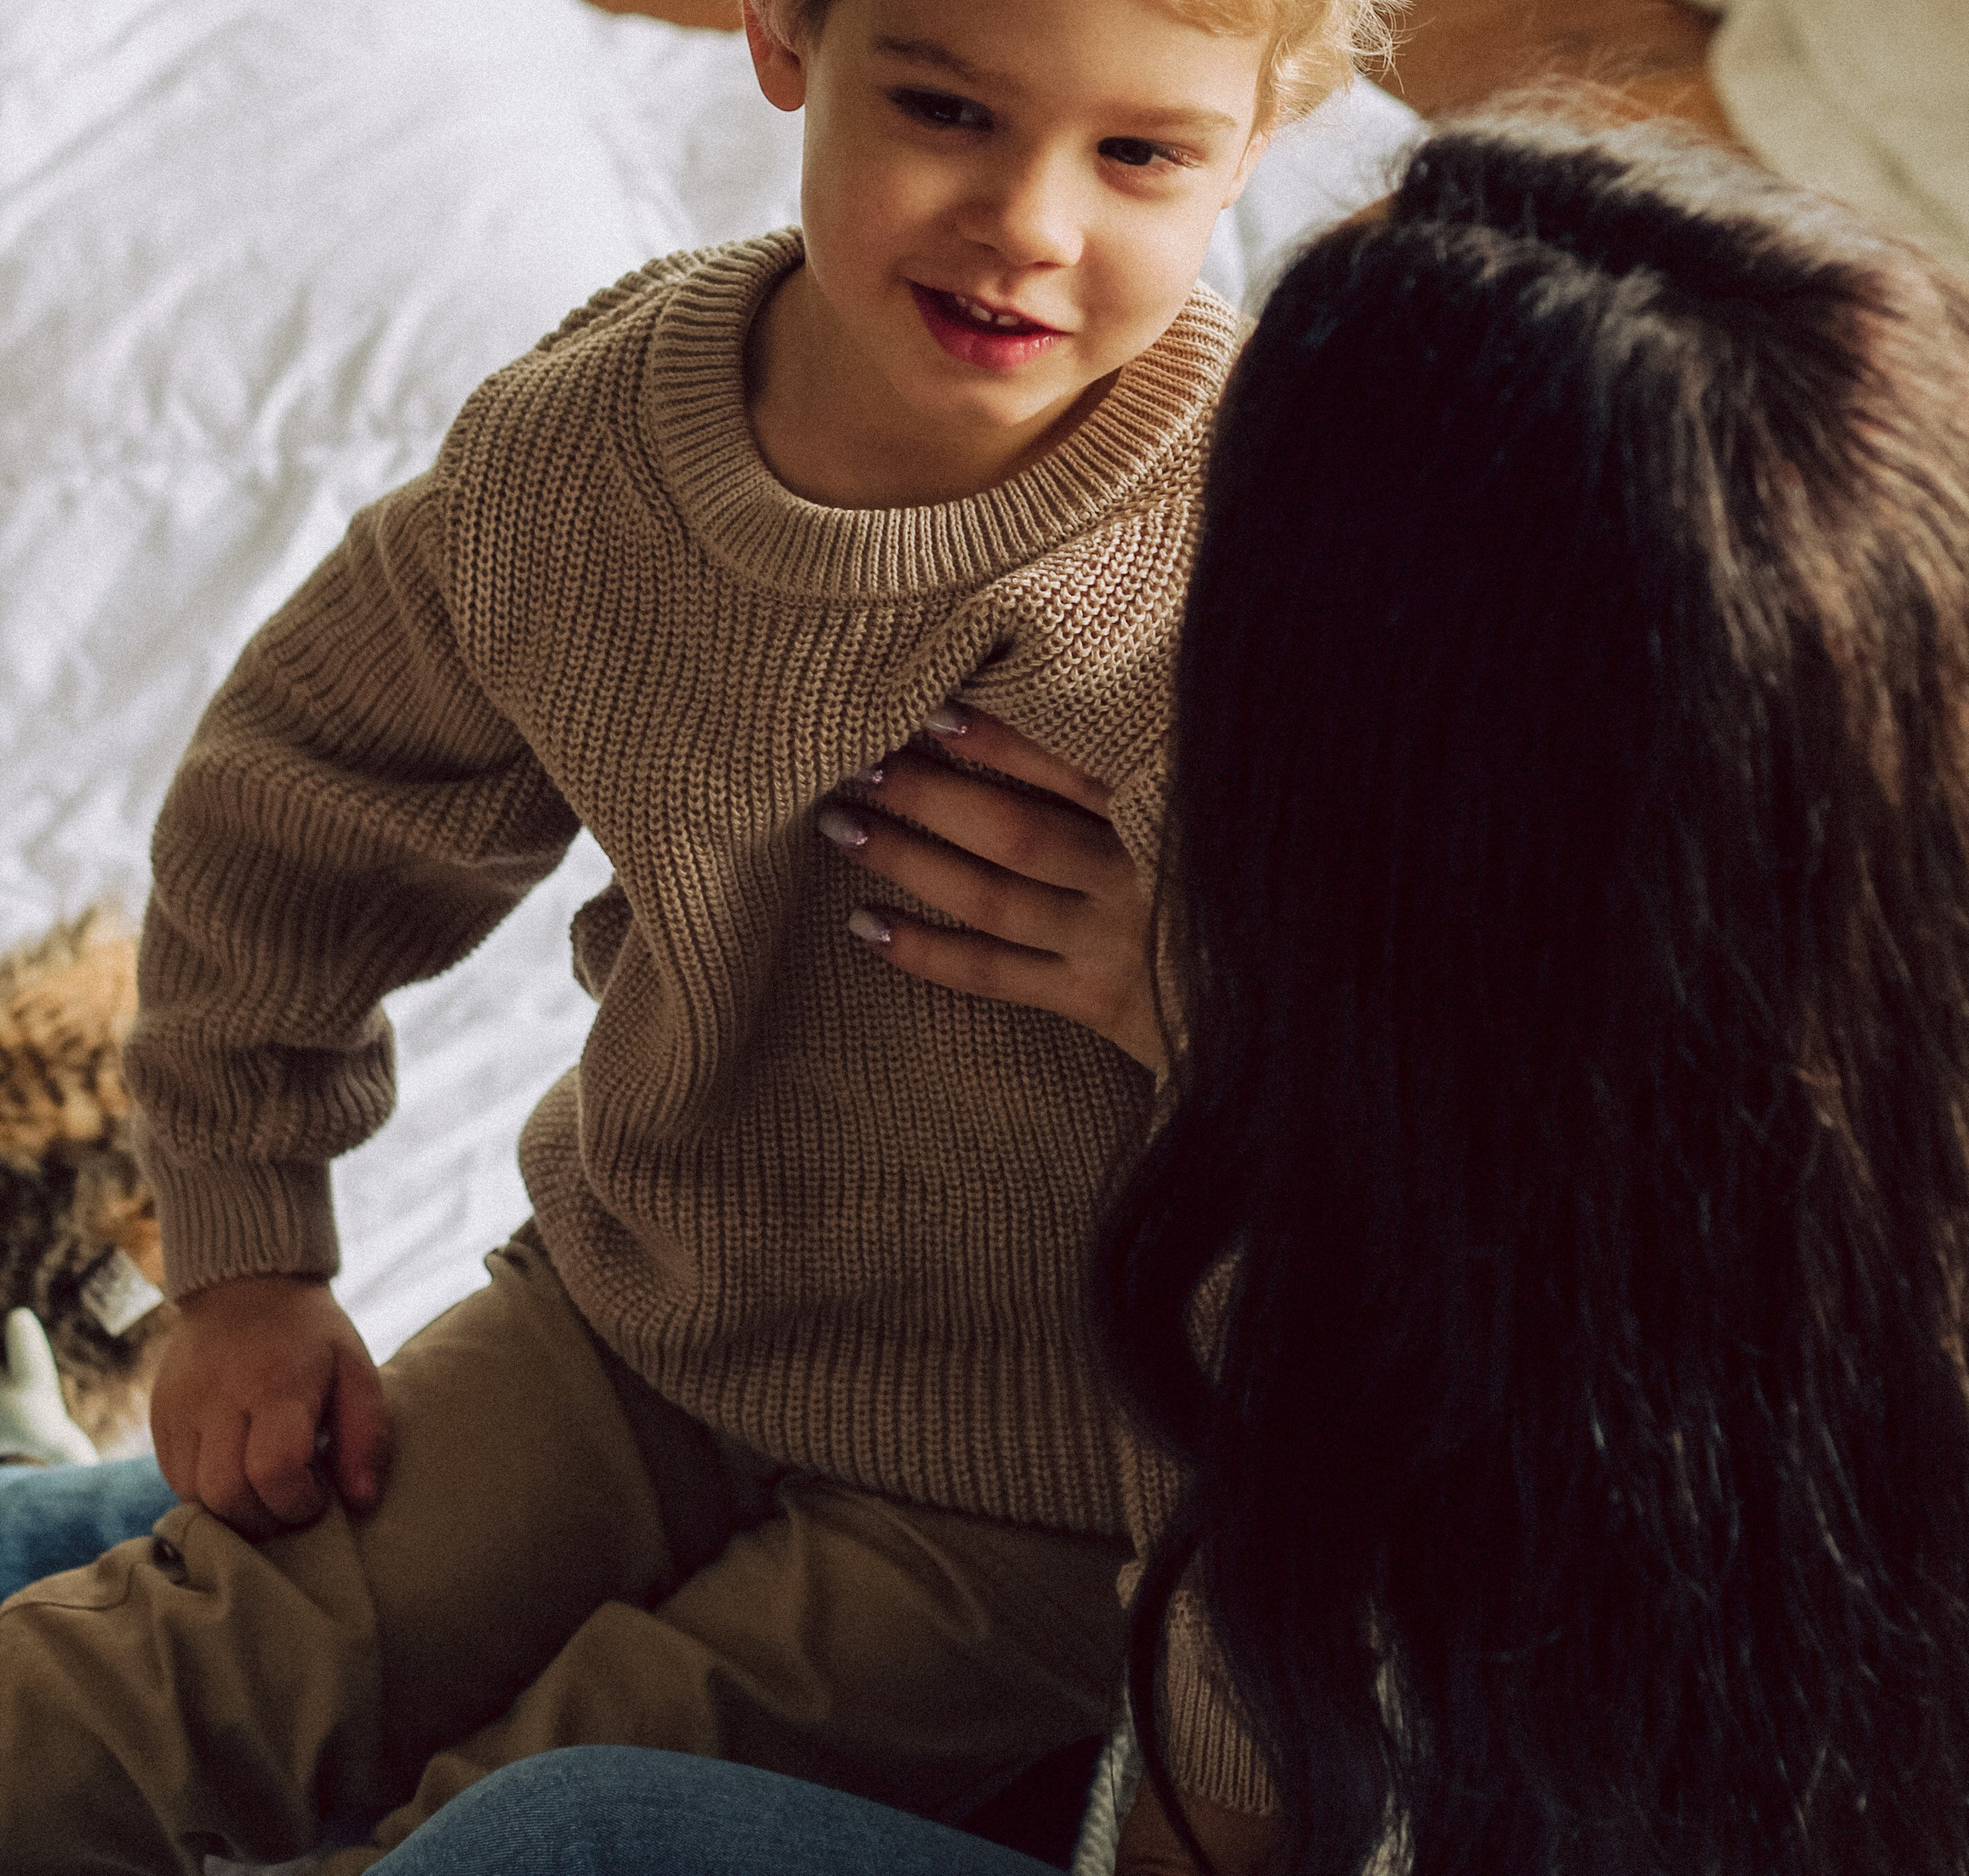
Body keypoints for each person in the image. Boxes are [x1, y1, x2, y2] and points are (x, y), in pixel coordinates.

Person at [0, 0, 1384, 1874]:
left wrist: (1222, 1759)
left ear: (1269, 128)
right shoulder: (594, 454)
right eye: (942, 108)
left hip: (1030, 1497)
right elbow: (300, 807)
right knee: (175, 1672)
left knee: (503, 1825)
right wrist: (246, 1260)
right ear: (778, 23)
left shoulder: (1250, 580)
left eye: (1140, 154)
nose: (1025, 226)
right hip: (631, 1331)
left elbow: (1368, 1174)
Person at [408, 113, 1969, 1874]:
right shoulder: (1747, 986)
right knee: (197, 1535)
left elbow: (1228, 1801)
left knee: (559, 1835)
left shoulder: (1625, 1414)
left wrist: (1282, 1111)